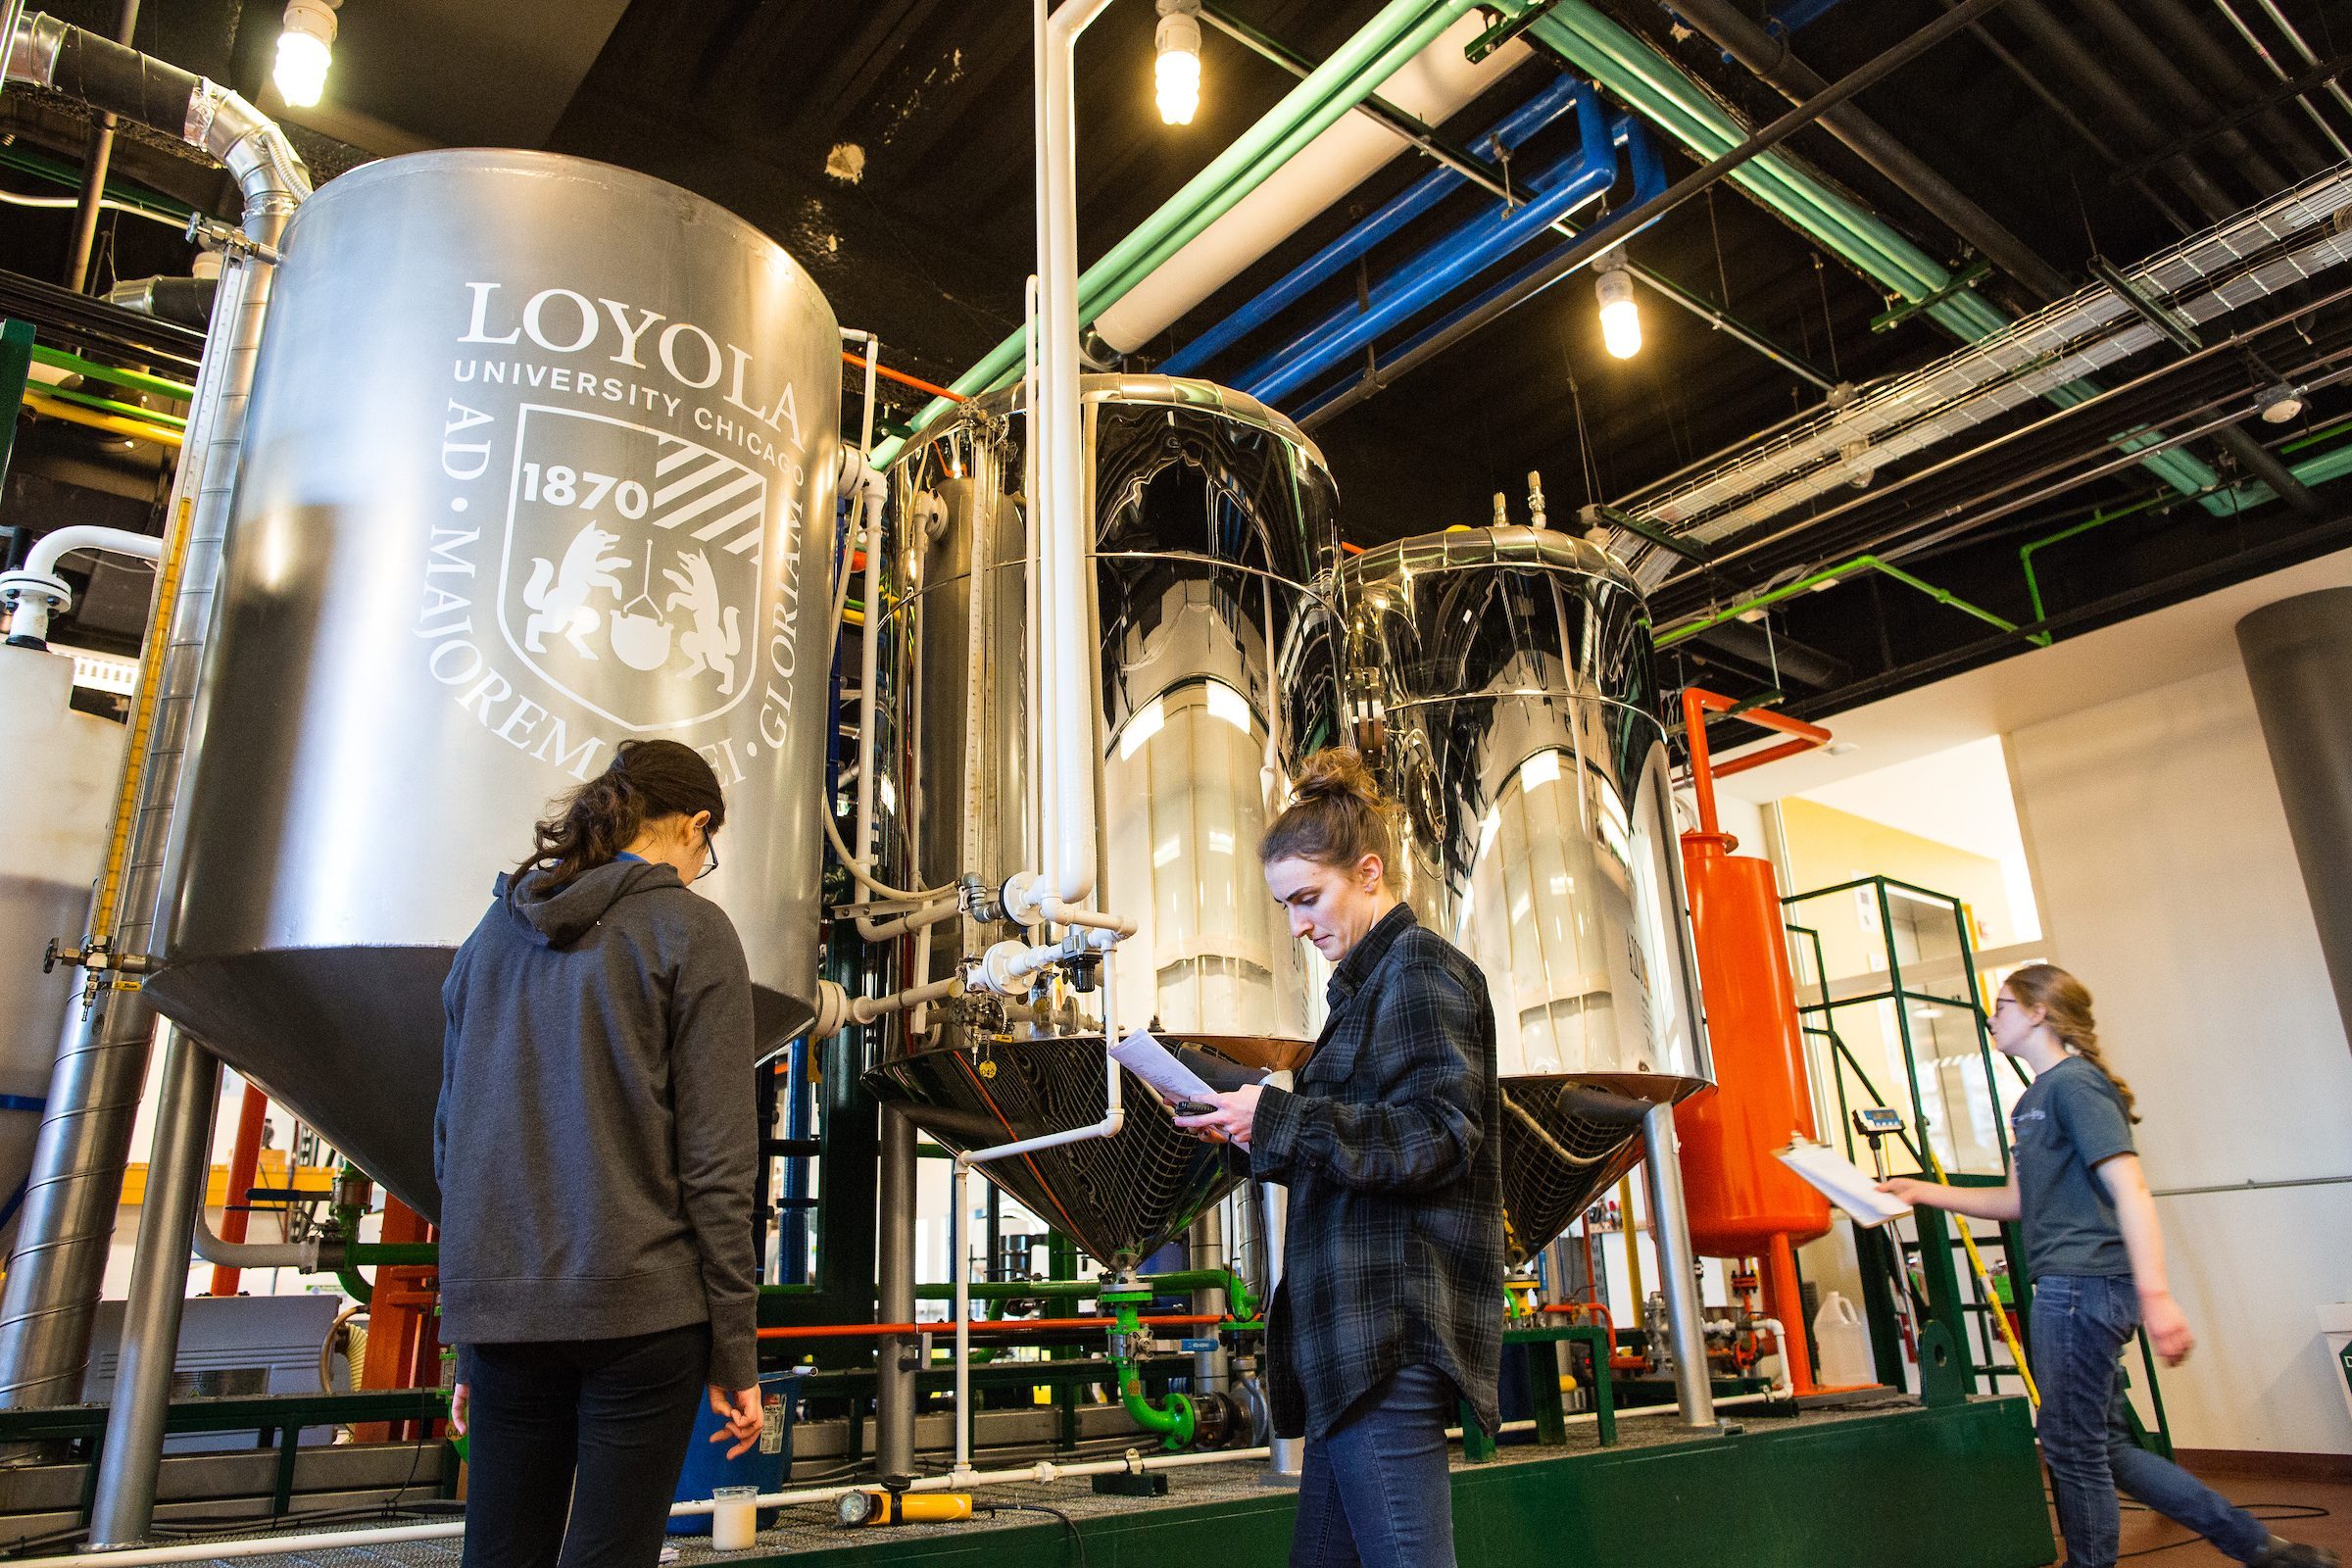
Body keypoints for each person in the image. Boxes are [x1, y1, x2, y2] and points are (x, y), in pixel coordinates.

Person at [1881, 964, 2335, 1568]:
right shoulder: (2032, 1100)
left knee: (2070, 1446)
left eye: (2004, 1005)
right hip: (2071, 1286)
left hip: (2083, 1287)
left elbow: (2132, 1188)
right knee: (2105, 1448)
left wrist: (2157, 1296)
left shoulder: (2076, 1085)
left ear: (2040, 1012)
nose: (1993, 1017)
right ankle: (2263, 1550)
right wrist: (1921, 1191)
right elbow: (2015, 1202)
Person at [437, 739, 764, 1568]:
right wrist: (736, 1352)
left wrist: (473, 1337)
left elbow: (454, 1142)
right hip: (640, 1311)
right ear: (693, 827)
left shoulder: (490, 938)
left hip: (508, 1314)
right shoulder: (691, 930)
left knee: (501, 1555)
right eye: (707, 851)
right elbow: (719, 1166)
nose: (702, 870)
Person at [1176, 748, 1503, 1568]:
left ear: (1369, 872)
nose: (1298, 925)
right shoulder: (1363, 992)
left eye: (1308, 898)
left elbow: (1441, 1134)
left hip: (1386, 1341)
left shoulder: (1423, 971)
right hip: (1346, 1352)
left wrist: (1284, 1119)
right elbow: (1360, 1143)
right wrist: (1253, 1130)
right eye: (1285, 906)